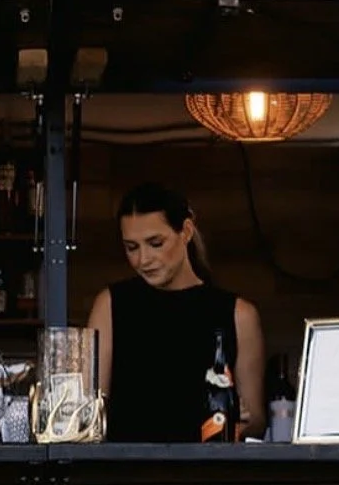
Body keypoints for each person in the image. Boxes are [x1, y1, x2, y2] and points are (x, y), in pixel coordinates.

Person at [88, 181, 265, 443]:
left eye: (155, 243)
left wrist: (243, 420)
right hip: (125, 475)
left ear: (186, 231)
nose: (143, 259)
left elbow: (258, 422)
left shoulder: (239, 314)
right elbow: (90, 413)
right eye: (132, 247)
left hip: (207, 476)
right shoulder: (110, 304)